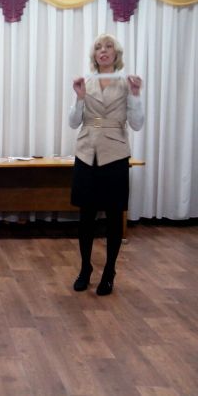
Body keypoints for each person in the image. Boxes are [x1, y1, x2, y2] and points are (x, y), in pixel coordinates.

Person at [69, 33, 144, 296]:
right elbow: (73, 122)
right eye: (99, 47)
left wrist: (136, 94)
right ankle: (85, 268)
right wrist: (79, 97)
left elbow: (137, 124)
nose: (103, 50)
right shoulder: (86, 82)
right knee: (86, 217)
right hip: (86, 152)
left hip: (115, 153)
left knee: (114, 217)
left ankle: (109, 271)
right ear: (94, 55)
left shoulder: (126, 83)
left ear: (116, 54)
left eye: (108, 46)